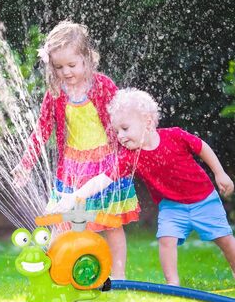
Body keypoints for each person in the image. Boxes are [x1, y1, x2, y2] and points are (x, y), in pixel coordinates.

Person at [52, 88, 235, 285]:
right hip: (172, 206)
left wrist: (219, 173)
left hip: (204, 200)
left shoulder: (174, 136)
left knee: (224, 240)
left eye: (125, 128)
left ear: (147, 122)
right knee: (166, 240)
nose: (120, 136)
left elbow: (201, 147)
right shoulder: (129, 156)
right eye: (117, 132)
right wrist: (76, 196)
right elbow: (103, 179)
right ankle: (173, 284)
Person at [12, 21, 140, 280]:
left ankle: (119, 275)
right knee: (61, 221)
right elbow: (42, 130)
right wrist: (25, 164)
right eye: (59, 67)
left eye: (72, 65)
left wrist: (129, 146)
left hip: (105, 164)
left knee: (111, 223)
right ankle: (58, 271)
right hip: (72, 168)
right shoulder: (56, 93)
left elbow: (121, 117)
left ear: (86, 59)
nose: (66, 72)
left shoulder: (103, 85)